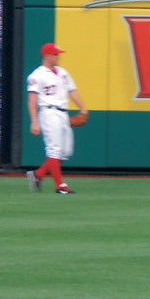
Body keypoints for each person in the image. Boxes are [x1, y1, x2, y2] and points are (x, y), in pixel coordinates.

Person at [26, 43, 86, 195]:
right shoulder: (36, 75)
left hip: (63, 114)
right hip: (48, 112)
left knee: (65, 152)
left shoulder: (62, 72)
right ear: (47, 56)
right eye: (55, 54)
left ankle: (38, 174)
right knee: (54, 150)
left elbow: (72, 92)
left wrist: (83, 108)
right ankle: (60, 185)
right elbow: (32, 99)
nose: (58, 56)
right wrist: (34, 121)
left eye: (58, 54)